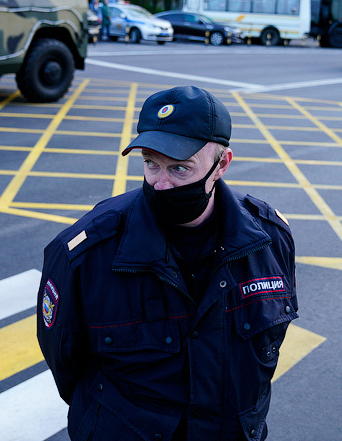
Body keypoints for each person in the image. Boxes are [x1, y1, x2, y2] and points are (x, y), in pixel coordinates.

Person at [37, 86, 298, 441]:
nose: (161, 184)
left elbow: (264, 354)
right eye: (150, 164)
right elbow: (66, 362)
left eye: (179, 168)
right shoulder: (88, 252)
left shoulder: (268, 239)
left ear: (221, 164)